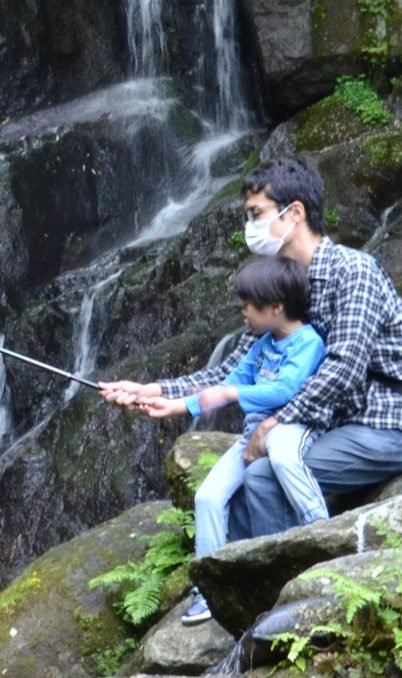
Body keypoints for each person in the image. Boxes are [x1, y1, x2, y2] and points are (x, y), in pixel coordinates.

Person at [102, 156, 402, 543]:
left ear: (295, 213)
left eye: (256, 214)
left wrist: (272, 423)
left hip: (387, 423)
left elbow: (343, 369)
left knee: (261, 474)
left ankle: (296, 577)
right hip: (327, 428)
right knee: (245, 478)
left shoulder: (353, 272)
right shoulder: (280, 284)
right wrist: (155, 391)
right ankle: (224, 586)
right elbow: (234, 372)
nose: (250, 227)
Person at [132, 258, 328, 624]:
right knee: (207, 497)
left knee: (285, 457)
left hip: (288, 426)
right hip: (251, 436)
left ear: (275, 307)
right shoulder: (260, 344)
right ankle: (209, 590)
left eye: (248, 305)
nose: (243, 314)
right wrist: (171, 405)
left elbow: (286, 389)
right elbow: (222, 385)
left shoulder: (308, 342)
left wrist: (232, 394)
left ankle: (321, 529)